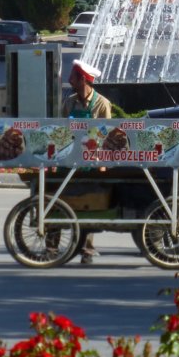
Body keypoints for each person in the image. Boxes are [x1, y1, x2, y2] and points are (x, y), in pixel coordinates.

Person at [61, 59, 112, 264]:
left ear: (83, 80)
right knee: (63, 201)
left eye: (72, 77)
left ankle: (87, 249)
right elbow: (62, 131)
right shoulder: (69, 102)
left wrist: (102, 163)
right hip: (71, 160)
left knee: (88, 205)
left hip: (92, 162)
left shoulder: (101, 103)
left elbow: (107, 135)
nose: (69, 80)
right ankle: (53, 245)